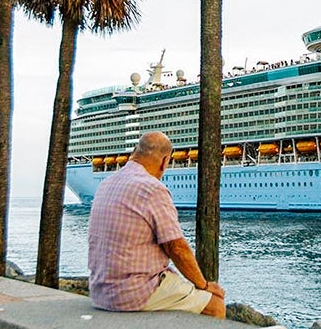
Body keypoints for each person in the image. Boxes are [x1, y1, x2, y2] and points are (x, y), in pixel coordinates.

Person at [87, 131, 226, 317]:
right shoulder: (152, 189)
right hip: (133, 293)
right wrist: (204, 285)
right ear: (164, 161)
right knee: (215, 305)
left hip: (100, 292)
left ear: (135, 152)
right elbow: (176, 247)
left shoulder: (106, 183)